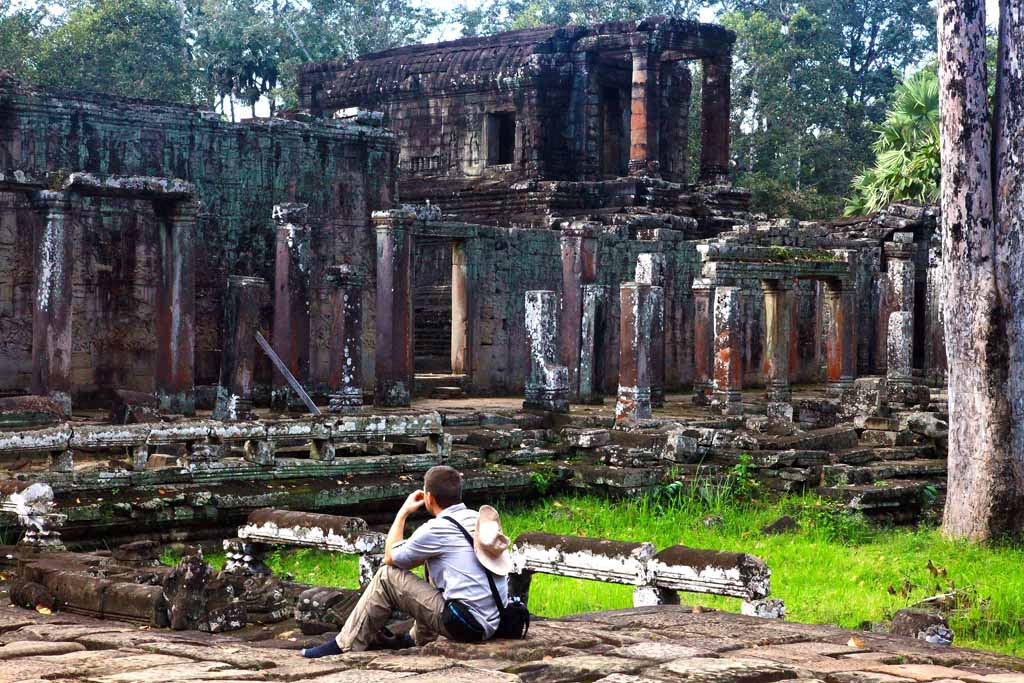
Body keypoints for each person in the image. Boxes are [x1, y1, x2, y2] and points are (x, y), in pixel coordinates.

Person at [302, 465, 512, 658]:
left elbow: (390, 558)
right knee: (433, 566)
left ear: (428, 498)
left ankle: (345, 644)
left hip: (467, 625)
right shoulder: (476, 518)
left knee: (386, 576)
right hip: (496, 619)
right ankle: (418, 639)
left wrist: (403, 513)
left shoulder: (436, 529)